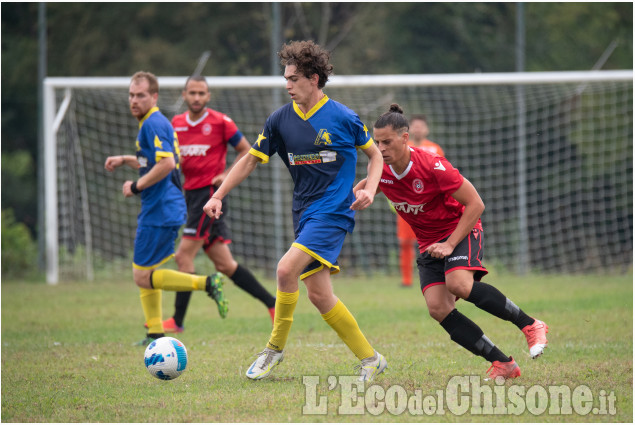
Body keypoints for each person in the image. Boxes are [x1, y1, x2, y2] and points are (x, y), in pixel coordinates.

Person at [203, 40, 387, 382]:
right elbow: (250, 160)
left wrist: (371, 190)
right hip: (304, 213)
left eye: (293, 78)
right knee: (319, 295)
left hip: (333, 212)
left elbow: (375, 155)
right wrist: (218, 194)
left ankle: (274, 348)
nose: (287, 85)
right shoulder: (279, 120)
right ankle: (371, 358)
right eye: (285, 78)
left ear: (314, 79)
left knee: (285, 270)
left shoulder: (344, 118)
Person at [354, 104, 549, 379]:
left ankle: (530, 324)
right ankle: (503, 363)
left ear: (405, 138)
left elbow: (476, 204)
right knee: (438, 308)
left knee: (459, 284)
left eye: (386, 141)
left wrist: (449, 244)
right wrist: (359, 194)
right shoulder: (380, 168)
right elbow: (367, 183)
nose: (380, 147)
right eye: (376, 142)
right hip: (428, 243)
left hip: (460, 229)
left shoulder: (432, 165)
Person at [104, 71, 228, 346]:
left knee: (142, 275)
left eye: (141, 95)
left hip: (161, 208)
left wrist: (136, 186)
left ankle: (207, 283)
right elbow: (154, 162)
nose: (134, 100)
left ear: (154, 96)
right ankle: (155, 333)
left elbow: (167, 164)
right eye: (131, 95)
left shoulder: (154, 124)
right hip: (162, 207)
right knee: (145, 272)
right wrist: (126, 159)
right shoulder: (151, 123)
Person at [156, 75, 276, 333]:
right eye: (192, 93)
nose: (197, 97)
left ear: (208, 96)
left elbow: (247, 150)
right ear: (184, 95)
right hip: (190, 197)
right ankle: (272, 303)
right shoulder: (176, 124)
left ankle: (176, 321)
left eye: (202, 93)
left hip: (209, 196)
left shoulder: (221, 122)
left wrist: (226, 173)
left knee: (183, 256)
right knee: (225, 264)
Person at [396, 115, 445, 288]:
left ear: (426, 129)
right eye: (414, 126)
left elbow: (443, 175)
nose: (417, 129)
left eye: (420, 126)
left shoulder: (435, 149)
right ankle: (406, 280)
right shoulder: (402, 148)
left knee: (432, 242)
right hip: (406, 204)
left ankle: (435, 276)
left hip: (429, 206)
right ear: (408, 131)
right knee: (405, 243)